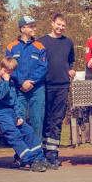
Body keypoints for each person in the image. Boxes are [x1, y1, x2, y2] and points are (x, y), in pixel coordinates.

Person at [0, 58, 46, 172]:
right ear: (0, 67)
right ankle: (30, 160)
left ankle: (40, 159)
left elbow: (14, 100)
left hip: (10, 111)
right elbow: (0, 95)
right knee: (13, 133)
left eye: (9, 72)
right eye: (5, 71)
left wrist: (19, 116)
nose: (6, 74)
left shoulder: (11, 81)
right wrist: (6, 81)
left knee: (28, 131)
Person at [6, 16, 47, 141]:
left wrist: (30, 82)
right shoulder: (11, 47)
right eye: (31, 26)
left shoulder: (40, 47)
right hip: (19, 89)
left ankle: (37, 154)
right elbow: (9, 67)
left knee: (37, 120)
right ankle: (21, 155)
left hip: (37, 89)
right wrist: (22, 82)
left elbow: (43, 68)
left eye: (35, 25)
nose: (34, 28)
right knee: (19, 120)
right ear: (22, 28)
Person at [41, 14, 75, 167]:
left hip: (63, 86)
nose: (60, 28)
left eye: (63, 26)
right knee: (45, 120)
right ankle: (42, 153)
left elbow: (70, 61)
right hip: (46, 86)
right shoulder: (41, 42)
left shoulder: (68, 42)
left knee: (57, 120)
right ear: (52, 23)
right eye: (58, 24)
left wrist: (70, 70)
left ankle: (53, 153)